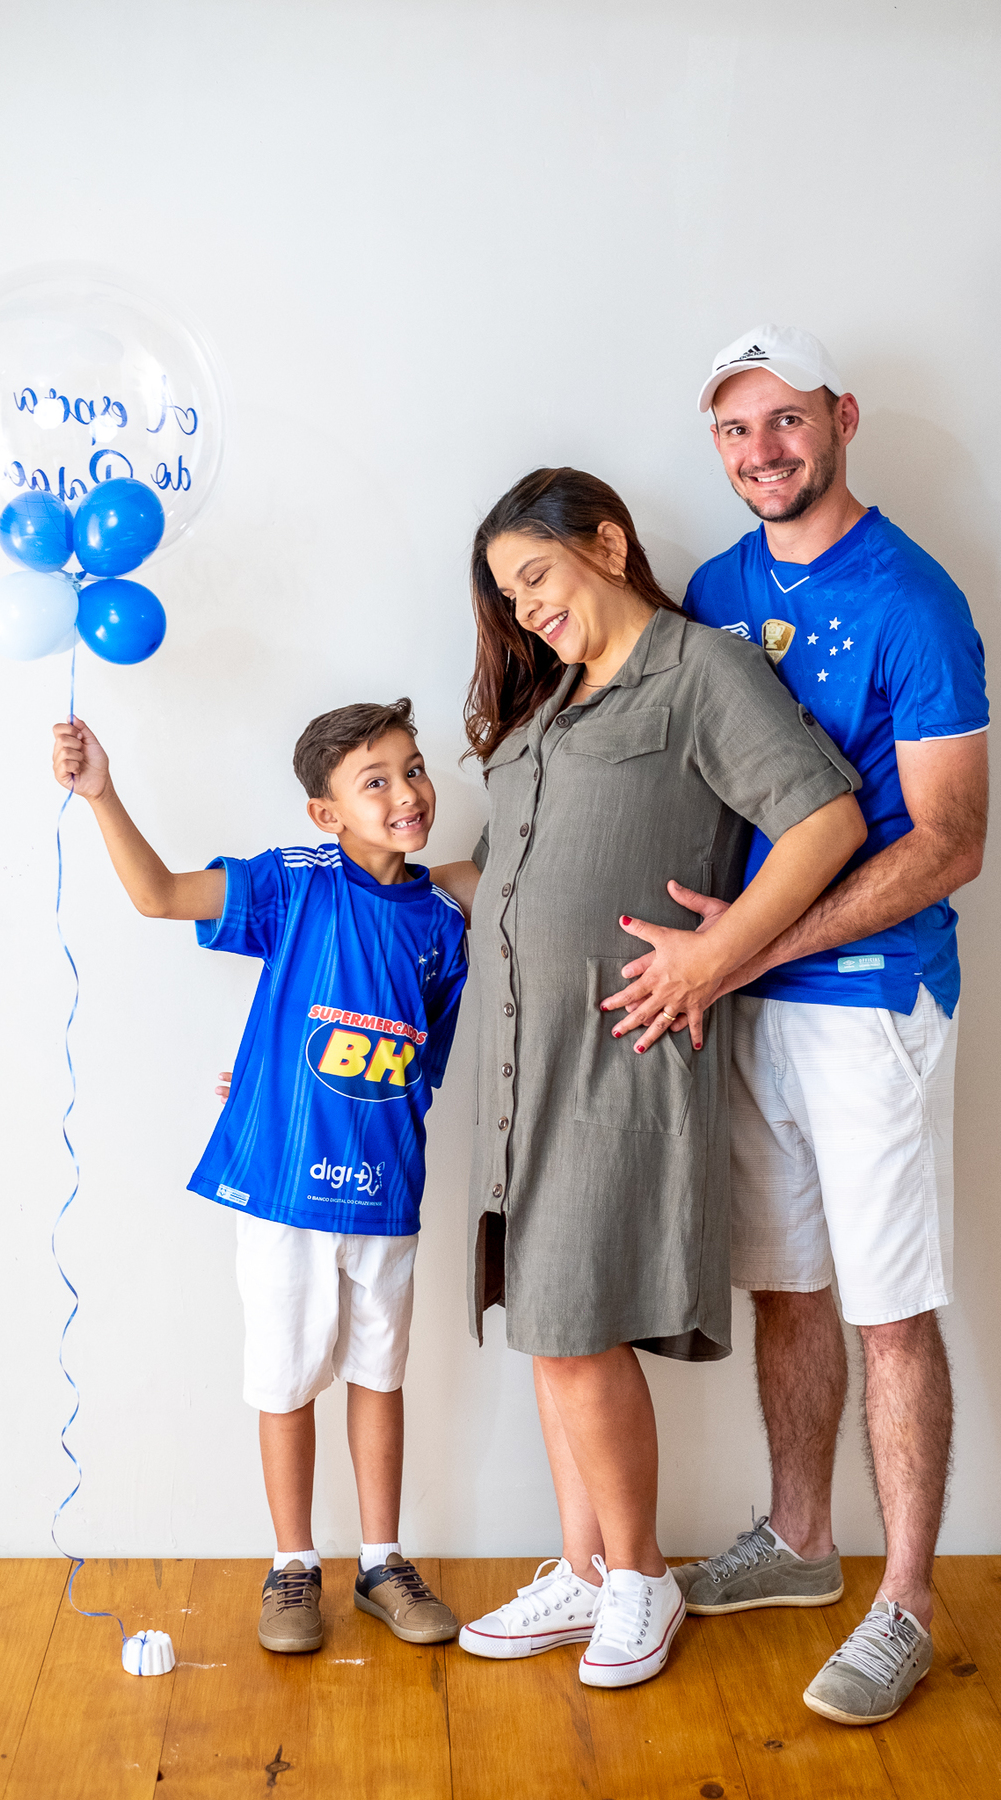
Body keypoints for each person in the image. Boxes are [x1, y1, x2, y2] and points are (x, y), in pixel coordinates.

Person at [605, 324, 989, 1725]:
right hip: (746, 1004)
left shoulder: (914, 600)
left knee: (890, 1311)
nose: (761, 450)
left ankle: (906, 1605)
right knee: (790, 1287)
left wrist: (746, 945)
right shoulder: (716, 588)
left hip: (872, 1004)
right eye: (735, 429)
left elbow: (950, 841)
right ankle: (802, 1540)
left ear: (842, 417)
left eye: (785, 420)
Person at [428, 465, 867, 1689]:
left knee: (577, 1325)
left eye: (536, 576)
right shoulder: (552, 704)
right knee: (546, 1322)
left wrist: (717, 957)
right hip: (522, 1060)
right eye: (508, 596)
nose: (526, 609)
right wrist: (395, 873)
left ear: (608, 545)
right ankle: (584, 1568)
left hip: (617, 1053)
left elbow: (825, 821)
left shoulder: (701, 672)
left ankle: (639, 1580)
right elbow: (514, 877)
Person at [50, 698, 468, 1656]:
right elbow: (158, 895)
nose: (406, 793)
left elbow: (416, 1056)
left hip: (386, 1194)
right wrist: (102, 793)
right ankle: (293, 1566)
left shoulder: (448, 919)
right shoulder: (295, 883)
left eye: (413, 769)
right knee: (286, 1382)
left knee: (380, 1376)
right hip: (284, 1191)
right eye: (375, 782)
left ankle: (382, 1563)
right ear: (326, 813)